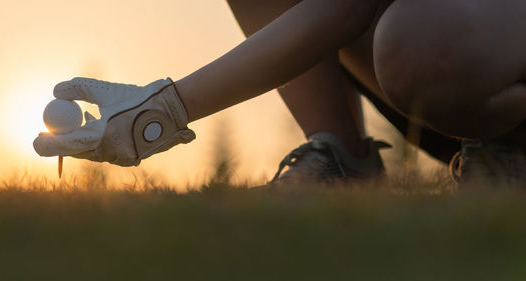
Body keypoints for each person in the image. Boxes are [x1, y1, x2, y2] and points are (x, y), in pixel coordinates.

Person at [34, 0, 526, 185]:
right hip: (456, 94)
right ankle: (340, 158)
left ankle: (511, 156)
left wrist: (156, 114)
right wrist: (152, 113)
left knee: (420, 38)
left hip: (470, 57)